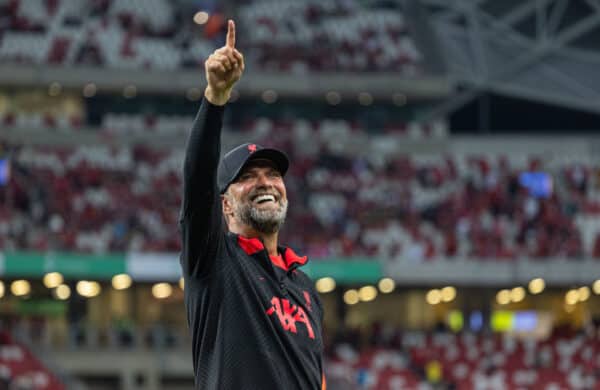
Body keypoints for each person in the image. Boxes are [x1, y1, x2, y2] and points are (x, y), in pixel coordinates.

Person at [179, 20, 326, 390]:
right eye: (247, 177)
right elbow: (197, 182)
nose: (265, 182)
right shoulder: (214, 259)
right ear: (225, 206)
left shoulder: (304, 285)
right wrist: (215, 97)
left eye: (273, 174)